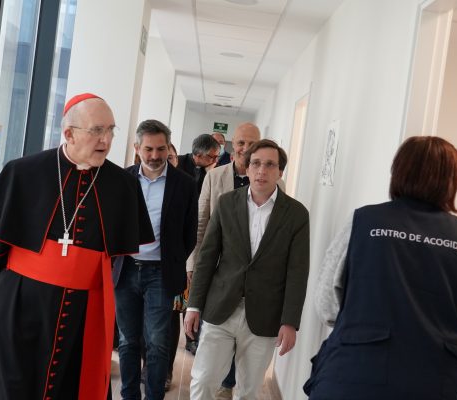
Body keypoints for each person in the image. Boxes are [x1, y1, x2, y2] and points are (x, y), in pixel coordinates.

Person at [0, 93, 153, 400]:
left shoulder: (123, 185)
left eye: (110, 130)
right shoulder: (23, 172)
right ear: (69, 133)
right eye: (97, 130)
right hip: (19, 304)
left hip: (82, 313)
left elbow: (117, 259)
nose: (106, 140)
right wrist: (22, 283)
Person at [304, 136, 457, 400]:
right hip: (436, 380)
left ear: (399, 171)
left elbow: (325, 303)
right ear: (452, 180)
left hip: (355, 372)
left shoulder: (364, 221)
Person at [184, 139, 310, 400]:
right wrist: (194, 305)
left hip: (265, 314)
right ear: (247, 167)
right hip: (221, 307)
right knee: (203, 380)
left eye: (270, 165)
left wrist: (290, 321)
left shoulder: (296, 214)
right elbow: (207, 257)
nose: (262, 170)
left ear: (280, 171)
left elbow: (297, 271)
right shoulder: (227, 203)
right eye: (256, 164)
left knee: (248, 391)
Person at [113, 120, 198, 400]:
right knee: (127, 341)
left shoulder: (185, 184)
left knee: (158, 343)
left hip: (161, 274)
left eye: (161, 149)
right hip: (125, 271)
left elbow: (190, 233)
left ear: (168, 147)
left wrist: (173, 260)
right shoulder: (122, 179)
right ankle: (129, 396)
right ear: (137, 148)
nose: (154, 155)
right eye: (148, 149)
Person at [187, 122, 272, 398]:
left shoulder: (273, 184)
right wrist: (193, 265)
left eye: (252, 143)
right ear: (231, 146)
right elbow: (201, 224)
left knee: (244, 343)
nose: (246, 148)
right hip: (218, 274)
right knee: (213, 337)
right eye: (241, 143)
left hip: (252, 283)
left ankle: (228, 384)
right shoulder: (215, 177)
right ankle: (219, 380)